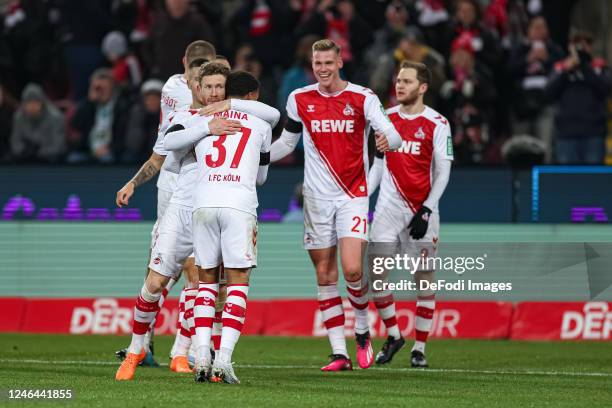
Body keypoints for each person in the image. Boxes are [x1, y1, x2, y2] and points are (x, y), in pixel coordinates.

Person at [270, 39, 402, 371]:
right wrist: (253, 158)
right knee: (325, 274)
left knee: (353, 268)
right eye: (318, 64)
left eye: (329, 63)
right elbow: (288, 141)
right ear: (312, 65)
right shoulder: (299, 99)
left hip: (352, 195)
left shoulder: (363, 97)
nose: (323, 69)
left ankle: (361, 329)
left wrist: (390, 140)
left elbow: (391, 134)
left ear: (340, 62)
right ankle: (339, 353)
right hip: (315, 198)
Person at [114, 62, 245, 382]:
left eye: (220, 87)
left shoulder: (239, 120)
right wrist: (132, 182)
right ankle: (135, 351)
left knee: (212, 289)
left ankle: (202, 357)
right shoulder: (184, 118)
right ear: (197, 89)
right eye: (208, 86)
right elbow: (168, 146)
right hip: (182, 211)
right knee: (155, 284)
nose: (213, 92)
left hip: (214, 212)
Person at [164, 71, 276, 384]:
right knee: (237, 282)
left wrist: (205, 127)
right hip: (238, 206)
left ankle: (200, 356)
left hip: (203, 205)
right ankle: (223, 360)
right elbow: (262, 177)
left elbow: (169, 147)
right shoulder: (261, 124)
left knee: (206, 282)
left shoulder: (201, 121)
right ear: (253, 95)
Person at [368, 60, 453, 368]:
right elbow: (377, 166)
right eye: (398, 80)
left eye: (406, 81)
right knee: (376, 274)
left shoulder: (438, 123)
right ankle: (394, 335)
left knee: (424, 279)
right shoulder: (384, 119)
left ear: (423, 87)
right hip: (388, 209)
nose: (399, 85)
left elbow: (443, 172)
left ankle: (420, 348)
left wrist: (427, 209)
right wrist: (361, 196)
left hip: (422, 211)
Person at [546, 29, 611, 164]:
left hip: (594, 132)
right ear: (570, 47)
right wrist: (566, 71)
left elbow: (606, 88)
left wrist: (585, 67)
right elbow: (548, 92)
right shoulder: (560, 67)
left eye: (586, 44)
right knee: (568, 180)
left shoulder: (599, 66)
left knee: (593, 179)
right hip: (566, 133)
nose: (582, 47)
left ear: (590, 47)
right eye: (578, 44)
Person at [509, 15, 563, 162]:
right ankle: (522, 183)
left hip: (546, 104)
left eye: (542, 27)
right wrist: (527, 59)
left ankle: (544, 183)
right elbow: (508, 72)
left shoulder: (554, 50)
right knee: (520, 149)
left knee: (545, 148)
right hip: (521, 107)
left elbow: (561, 73)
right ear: (528, 31)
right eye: (535, 27)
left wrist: (547, 60)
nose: (539, 31)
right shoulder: (519, 49)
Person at [68, 68, 132, 163]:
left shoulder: (122, 107)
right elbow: (76, 125)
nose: (100, 91)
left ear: (112, 87)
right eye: (97, 88)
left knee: (107, 159)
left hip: (111, 151)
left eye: (104, 88)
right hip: (88, 150)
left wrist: (110, 148)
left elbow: (124, 135)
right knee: (73, 158)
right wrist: (89, 101)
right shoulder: (88, 105)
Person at [10, 83, 65, 163]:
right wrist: (24, 151)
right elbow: (15, 141)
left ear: (42, 103)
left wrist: (39, 153)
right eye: (29, 103)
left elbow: (58, 144)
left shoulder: (56, 117)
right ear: (24, 104)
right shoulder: (18, 117)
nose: (32, 106)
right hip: (24, 158)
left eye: (35, 102)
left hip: (50, 160)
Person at [122, 79, 164, 163]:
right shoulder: (136, 114)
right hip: (136, 157)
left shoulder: (166, 118)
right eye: (149, 99)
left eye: (155, 99)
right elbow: (133, 144)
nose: (152, 102)